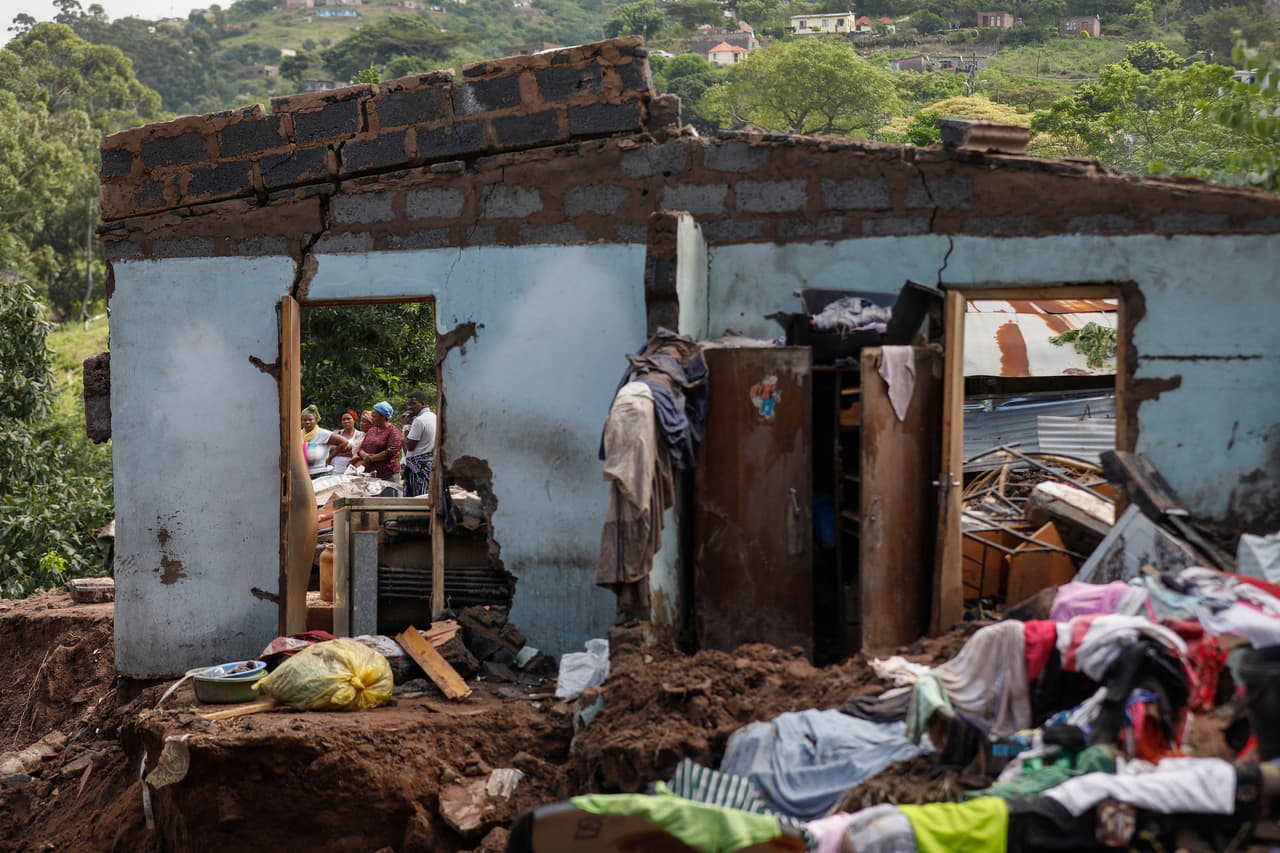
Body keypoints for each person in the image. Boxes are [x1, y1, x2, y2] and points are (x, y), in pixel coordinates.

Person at [402, 390, 437, 497]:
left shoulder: (419, 421)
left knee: (415, 501)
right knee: (426, 497)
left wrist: (406, 426)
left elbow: (409, 446)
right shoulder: (434, 416)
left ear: (423, 403)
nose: (409, 407)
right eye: (408, 404)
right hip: (429, 465)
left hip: (418, 470)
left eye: (413, 403)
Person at [355, 401, 403, 481]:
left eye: (374, 417)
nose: (372, 419)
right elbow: (361, 448)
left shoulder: (393, 432)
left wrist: (371, 458)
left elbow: (390, 452)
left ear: (384, 417)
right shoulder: (371, 430)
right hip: (370, 475)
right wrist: (364, 456)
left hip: (387, 476)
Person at [301, 405, 350, 479]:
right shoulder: (299, 434)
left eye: (310, 420)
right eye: (305, 420)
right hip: (304, 474)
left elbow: (344, 442)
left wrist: (330, 457)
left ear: (316, 420)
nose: (307, 422)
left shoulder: (323, 433)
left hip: (321, 473)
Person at [329, 409, 363, 475]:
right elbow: (330, 449)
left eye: (348, 419)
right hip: (335, 468)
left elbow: (356, 452)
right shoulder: (336, 433)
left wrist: (337, 451)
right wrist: (346, 450)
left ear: (354, 420)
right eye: (343, 419)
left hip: (350, 469)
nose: (346, 421)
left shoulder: (360, 435)